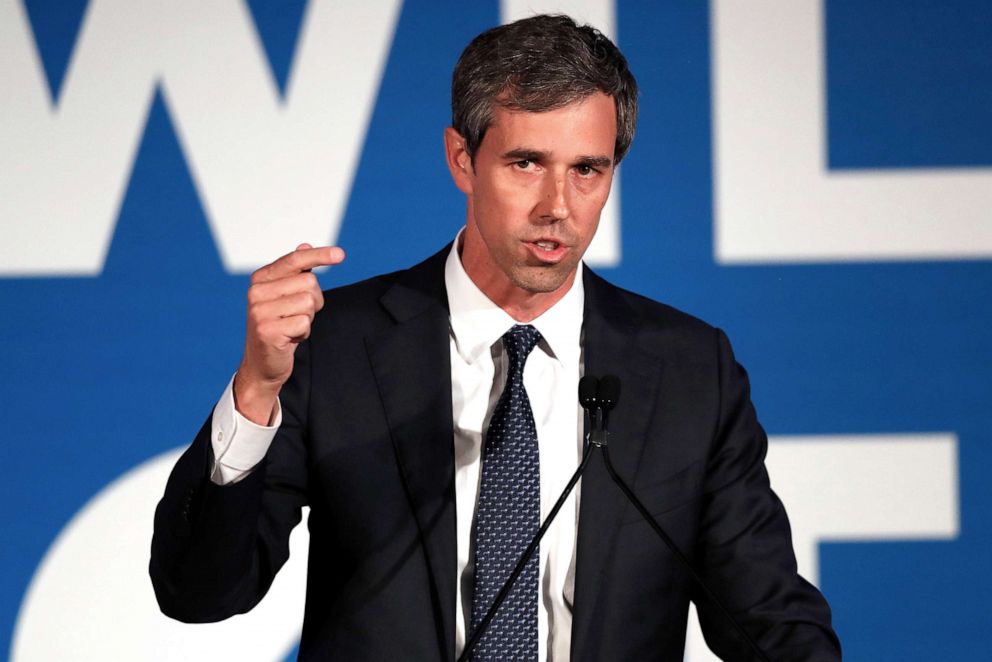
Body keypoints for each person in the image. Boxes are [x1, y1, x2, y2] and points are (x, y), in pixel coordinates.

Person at [151, 14, 841, 661]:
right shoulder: (336, 347)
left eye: (587, 170)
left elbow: (765, 619)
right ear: (461, 159)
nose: (557, 208)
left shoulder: (690, 370)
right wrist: (256, 389)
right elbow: (201, 593)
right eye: (525, 164)